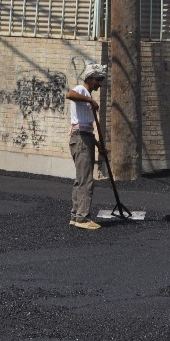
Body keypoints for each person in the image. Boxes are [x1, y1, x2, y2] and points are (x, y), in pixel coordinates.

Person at [65, 63, 107, 230]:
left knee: (81, 179)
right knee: (86, 180)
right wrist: (90, 99)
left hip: (84, 137)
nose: (100, 84)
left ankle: (76, 215)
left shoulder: (86, 95)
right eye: (98, 80)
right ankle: (83, 218)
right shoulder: (82, 90)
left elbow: (88, 128)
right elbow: (69, 94)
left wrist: (98, 145)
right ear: (90, 78)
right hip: (80, 138)